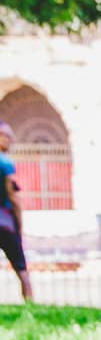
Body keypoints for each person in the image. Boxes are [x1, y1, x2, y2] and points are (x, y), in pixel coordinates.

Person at [0, 122, 31, 302]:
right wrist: (19, 222)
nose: (10, 140)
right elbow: (13, 195)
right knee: (21, 269)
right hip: (5, 222)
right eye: (6, 135)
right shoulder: (5, 162)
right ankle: (30, 303)